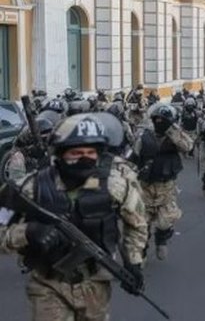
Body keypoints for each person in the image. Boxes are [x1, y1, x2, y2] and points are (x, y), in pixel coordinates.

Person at [0, 114, 148, 321]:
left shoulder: (116, 185)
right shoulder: (30, 187)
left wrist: (133, 261)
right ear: (60, 153)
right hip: (47, 284)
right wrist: (27, 232)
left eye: (91, 152)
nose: (84, 159)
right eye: (76, 153)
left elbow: (137, 223)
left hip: (96, 283)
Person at [132, 103, 192, 261]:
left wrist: (172, 131)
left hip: (166, 187)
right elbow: (133, 157)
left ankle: (161, 239)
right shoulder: (144, 135)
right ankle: (141, 255)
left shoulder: (175, 134)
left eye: (163, 120)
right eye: (156, 119)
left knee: (165, 222)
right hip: (145, 187)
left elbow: (188, 147)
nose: (159, 122)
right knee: (141, 224)